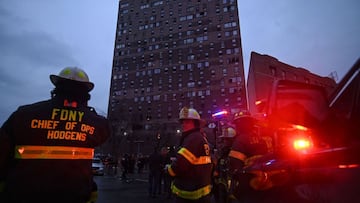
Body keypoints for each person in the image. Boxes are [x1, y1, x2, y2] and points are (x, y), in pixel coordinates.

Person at [0, 67, 111, 203]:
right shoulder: (97, 123)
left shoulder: (23, 115)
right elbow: (102, 135)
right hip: (75, 195)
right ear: (86, 92)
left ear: (56, 87)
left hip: (21, 194)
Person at [166, 107, 213, 203]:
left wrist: (169, 169)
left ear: (195, 123)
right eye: (182, 122)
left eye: (187, 122)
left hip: (190, 192)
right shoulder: (200, 137)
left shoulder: (193, 138)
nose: (183, 124)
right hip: (199, 190)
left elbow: (181, 164)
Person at [228, 110, 269, 202]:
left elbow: (235, 166)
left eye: (237, 124)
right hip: (263, 181)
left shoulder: (240, 141)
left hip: (248, 183)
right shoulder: (261, 139)